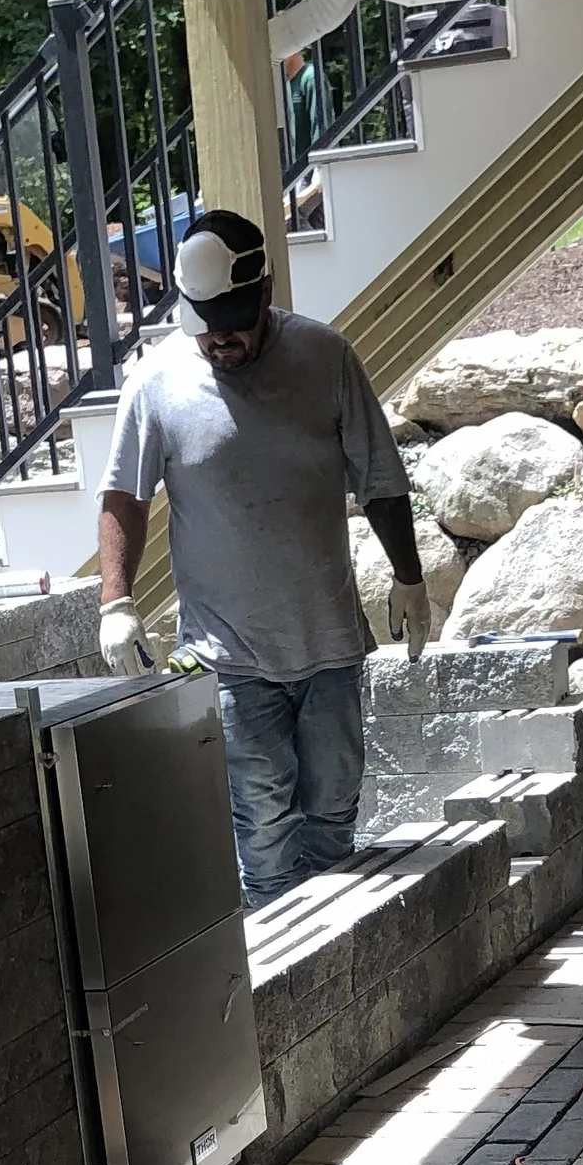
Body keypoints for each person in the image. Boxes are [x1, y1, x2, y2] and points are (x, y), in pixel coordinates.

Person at [97, 207, 429, 903]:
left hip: (329, 645)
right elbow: (124, 495)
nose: (223, 338)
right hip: (229, 658)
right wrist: (116, 600)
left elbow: (379, 476)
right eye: (208, 322)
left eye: (237, 320)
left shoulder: (324, 357)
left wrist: (409, 577)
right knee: (265, 836)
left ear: (267, 287)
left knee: (334, 816)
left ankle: (338, 963)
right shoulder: (157, 383)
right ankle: (289, 989)